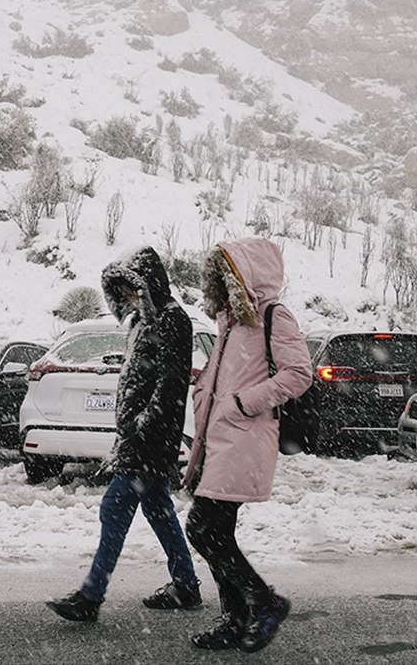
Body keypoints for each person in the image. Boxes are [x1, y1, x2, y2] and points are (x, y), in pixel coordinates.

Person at [46, 246, 203, 623]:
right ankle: (185, 584)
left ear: (149, 283)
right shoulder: (139, 323)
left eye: (132, 289)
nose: (128, 298)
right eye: (121, 293)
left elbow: (171, 383)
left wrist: (143, 427)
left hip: (150, 439)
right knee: (158, 510)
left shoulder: (172, 319)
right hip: (137, 437)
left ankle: (91, 595)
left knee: (115, 507)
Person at [183, 238, 312, 653]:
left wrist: (242, 402)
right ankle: (235, 619)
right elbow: (232, 376)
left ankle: (263, 601)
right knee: (216, 531)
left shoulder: (273, 316)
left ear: (247, 275)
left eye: (229, 271)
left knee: (203, 529)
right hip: (218, 440)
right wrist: (205, 385)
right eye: (218, 273)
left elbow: (298, 373)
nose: (222, 280)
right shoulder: (232, 322)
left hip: (242, 438)